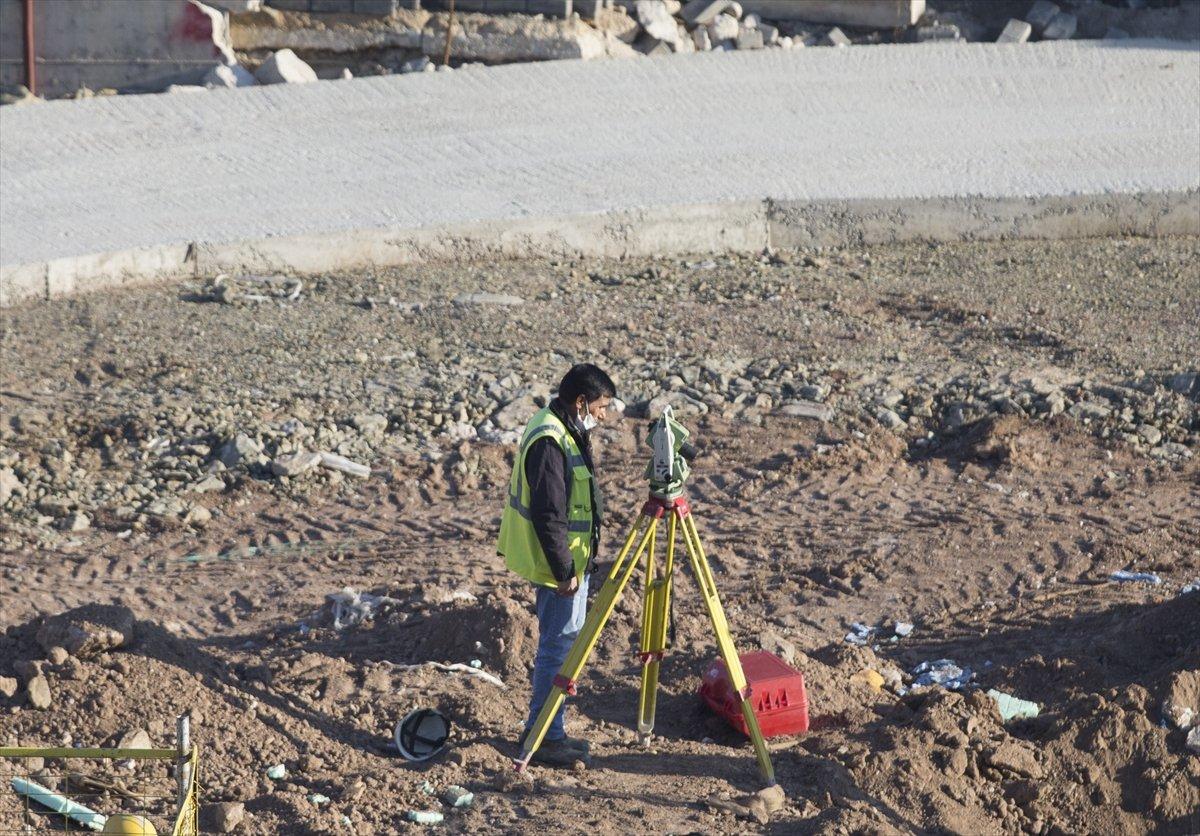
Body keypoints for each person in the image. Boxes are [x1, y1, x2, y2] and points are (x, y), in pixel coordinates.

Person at [496, 363, 616, 766]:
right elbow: (550, 515)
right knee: (559, 649)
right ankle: (545, 735)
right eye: (601, 407)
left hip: (570, 564)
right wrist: (565, 572)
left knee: (563, 645)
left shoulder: (562, 426)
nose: (604, 415)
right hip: (559, 568)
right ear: (580, 402)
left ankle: (550, 728)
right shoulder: (551, 440)